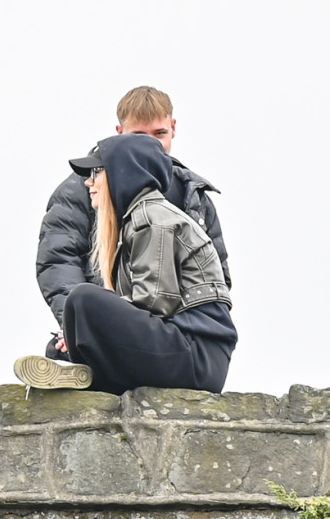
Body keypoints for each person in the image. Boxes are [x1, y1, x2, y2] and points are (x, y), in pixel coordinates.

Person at [15, 133, 237, 394]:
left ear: (122, 174)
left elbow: (154, 305)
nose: (88, 182)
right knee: (66, 338)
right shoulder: (135, 221)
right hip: (182, 351)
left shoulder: (152, 218)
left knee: (83, 300)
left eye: (96, 173)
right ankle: (81, 370)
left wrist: (95, 327)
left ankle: (88, 370)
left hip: (197, 357)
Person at [35, 86, 230, 360]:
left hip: (172, 330)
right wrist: (79, 325)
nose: (150, 145)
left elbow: (218, 277)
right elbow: (58, 261)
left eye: (159, 134)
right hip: (115, 320)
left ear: (173, 128)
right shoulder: (84, 189)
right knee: (58, 351)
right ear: (119, 132)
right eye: (138, 136)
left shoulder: (192, 195)